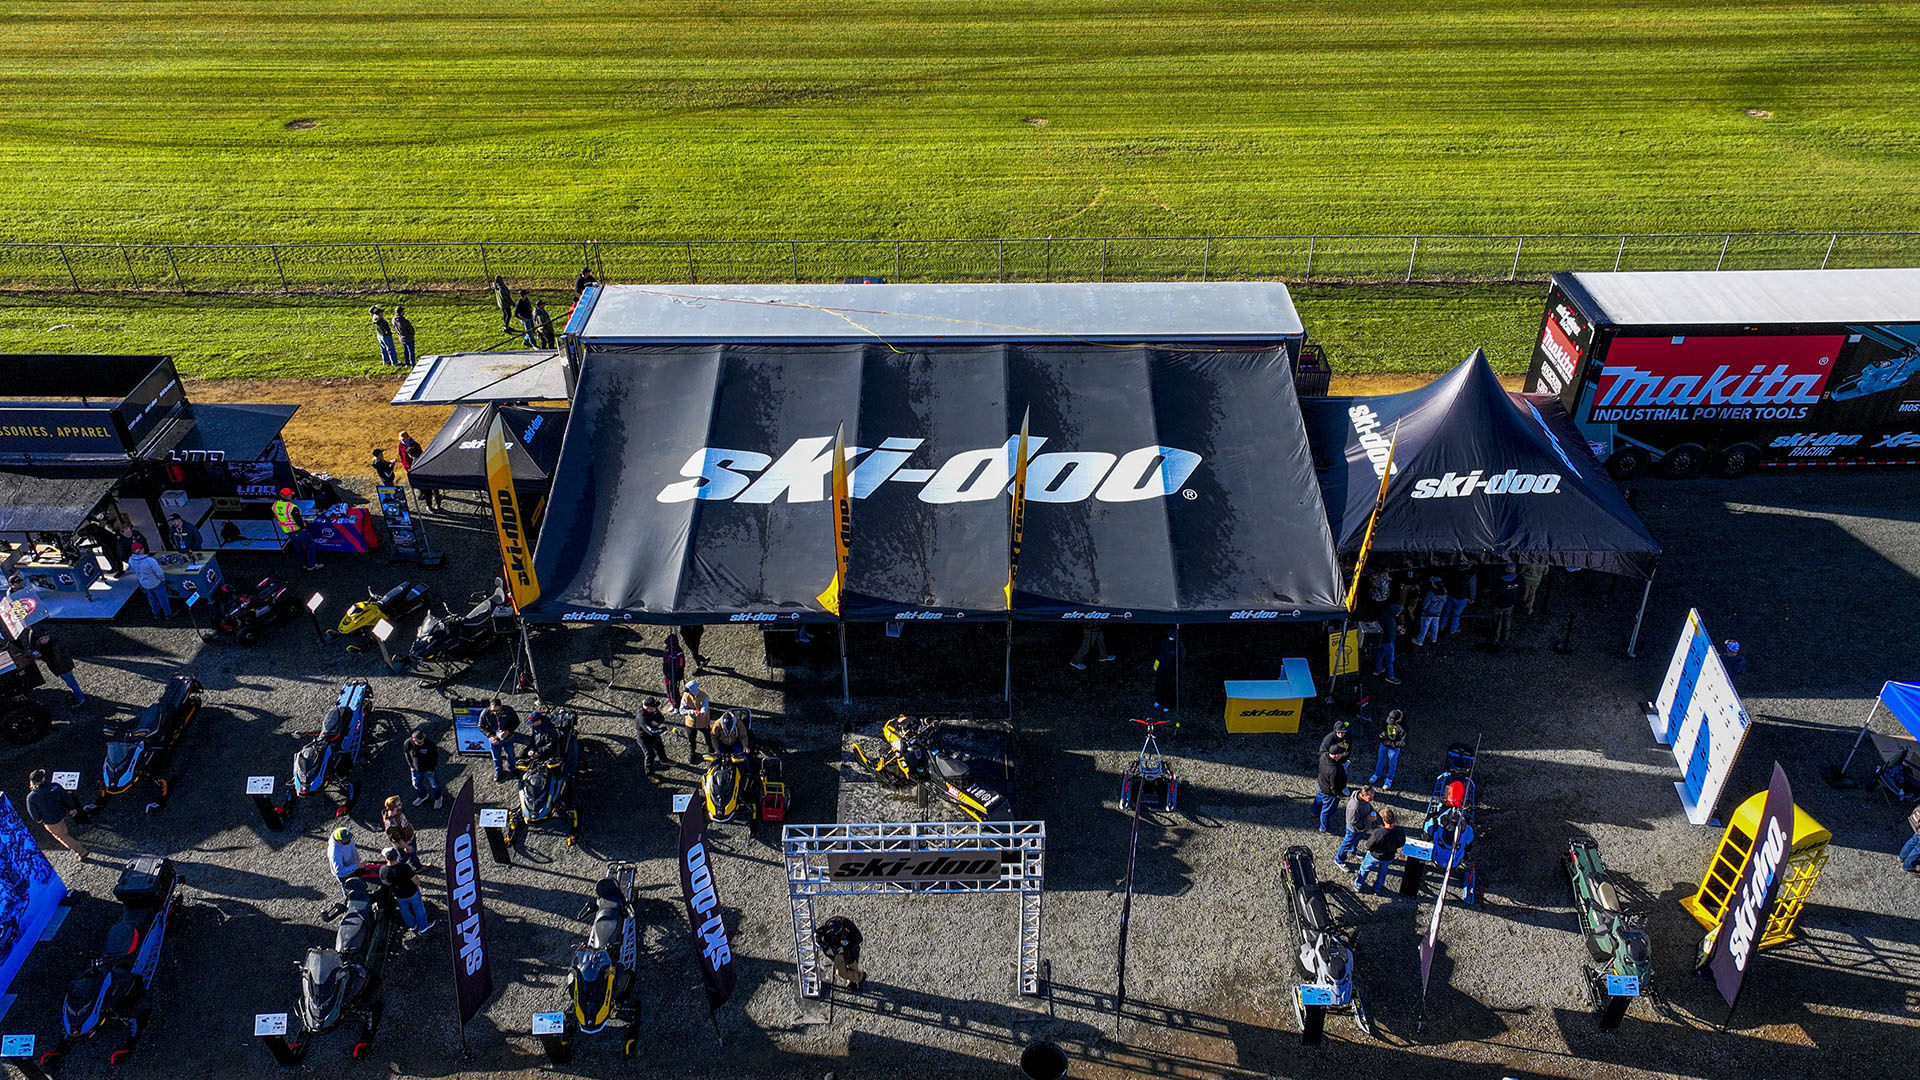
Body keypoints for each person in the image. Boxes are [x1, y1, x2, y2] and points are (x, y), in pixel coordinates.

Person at [26, 770, 88, 860]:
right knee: (64, 831)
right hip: (62, 813)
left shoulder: (31, 797)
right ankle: (76, 842)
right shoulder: (55, 786)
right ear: (43, 779)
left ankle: (81, 851)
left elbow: (34, 813)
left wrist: (39, 820)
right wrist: (71, 808)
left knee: (62, 836)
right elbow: (66, 797)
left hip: (51, 821)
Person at [379, 847, 434, 934]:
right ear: (397, 856)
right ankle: (423, 927)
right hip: (412, 892)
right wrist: (417, 885)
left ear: (386, 859)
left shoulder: (383, 870)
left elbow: (385, 882)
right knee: (418, 909)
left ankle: (412, 925)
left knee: (404, 910)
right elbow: (415, 879)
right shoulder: (404, 867)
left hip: (399, 895)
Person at [1354, 807, 1404, 895]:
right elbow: (1401, 843)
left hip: (1374, 856)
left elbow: (1369, 845)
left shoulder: (1378, 833)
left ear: (1383, 820)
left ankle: (1358, 885)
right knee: (1383, 872)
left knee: (1364, 869)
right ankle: (1377, 888)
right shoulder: (1400, 831)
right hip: (1389, 856)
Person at [273, 487, 322, 571]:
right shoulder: (291, 507)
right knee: (310, 545)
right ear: (287, 496)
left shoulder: (275, 505)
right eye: (290, 495)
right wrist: (304, 528)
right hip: (297, 530)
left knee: (299, 548)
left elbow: (276, 516)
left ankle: (304, 564)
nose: (291, 496)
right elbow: (298, 521)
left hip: (287, 531)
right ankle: (311, 565)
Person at [30, 629, 84, 704]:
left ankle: (80, 698)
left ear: (48, 636)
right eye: (41, 639)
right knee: (70, 682)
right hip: (63, 667)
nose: (42, 640)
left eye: (44, 638)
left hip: (63, 668)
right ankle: (77, 695)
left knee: (72, 683)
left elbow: (54, 659)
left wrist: (41, 656)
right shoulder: (49, 644)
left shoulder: (53, 646)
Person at [813, 915, 865, 989]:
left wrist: (845, 948)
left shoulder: (848, 925)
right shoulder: (825, 927)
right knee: (841, 972)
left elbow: (859, 939)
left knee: (853, 967)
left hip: (850, 950)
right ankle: (860, 977)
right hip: (836, 952)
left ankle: (852, 982)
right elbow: (817, 938)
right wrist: (826, 948)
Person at [1336, 785, 1377, 868]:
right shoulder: (1354, 807)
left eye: (1373, 796)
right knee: (1346, 845)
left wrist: (1372, 811)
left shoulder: (1364, 799)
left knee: (1356, 840)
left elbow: (1369, 806)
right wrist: (1368, 819)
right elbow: (1352, 822)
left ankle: (1353, 850)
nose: (1371, 799)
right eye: (1370, 798)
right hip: (1353, 830)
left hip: (1362, 828)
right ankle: (1339, 860)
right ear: (1363, 795)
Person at [127, 544, 173, 617]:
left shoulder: (131, 560)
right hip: (156, 583)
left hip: (144, 584)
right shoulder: (150, 560)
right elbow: (159, 573)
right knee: (163, 598)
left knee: (151, 599)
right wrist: (162, 580)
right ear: (142, 549)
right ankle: (168, 613)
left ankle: (156, 612)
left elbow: (133, 571)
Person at [480, 698, 521, 779]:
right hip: (494, 739)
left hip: (508, 738)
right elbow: (480, 726)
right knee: (496, 756)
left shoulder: (508, 710)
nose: (495, 713)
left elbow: (516, 721)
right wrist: (490, 736)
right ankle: (498, 771)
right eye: (493, 711)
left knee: (510, 754)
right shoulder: (485, 713)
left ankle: (512, 769)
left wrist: (508, 731)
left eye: (497, 710)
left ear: (501, 706)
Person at [404, 728, 443, 808]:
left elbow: (435, 758)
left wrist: (431, 769)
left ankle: (438, 798)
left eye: (422, 741)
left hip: (428, 770)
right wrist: (411, 766)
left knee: (434, 785)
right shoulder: (407, 743)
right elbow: (407, 754)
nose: (422, 743)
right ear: (413, 740)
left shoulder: (430, 744)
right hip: (415, 770)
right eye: (419, 742)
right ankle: (423, 795)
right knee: (416, 784)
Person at [1370, 709, 1407, 791]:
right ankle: (1377, 774)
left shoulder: (1403, 728)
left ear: (1398, 719)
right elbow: (1383, 728)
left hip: (1394, 748)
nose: (1390, 722)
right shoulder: (1388, 719)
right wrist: (1383, 734)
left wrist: (1392, 744)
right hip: (1384, 744)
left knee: (1392, 764)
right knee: (1380, 759)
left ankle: (1389, 779)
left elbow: (1403, 742)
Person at [383, 796, 422, 870]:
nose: (401, 804)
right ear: (393, 807)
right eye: (399, 804)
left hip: (409, 838)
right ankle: (396, 869)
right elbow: (397, 839)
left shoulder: (397, 812)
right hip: (405, 843)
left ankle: (416, 866)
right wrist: (406, 847)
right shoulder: (391, 825)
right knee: (403, 858)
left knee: (412, 854)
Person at [1314, 749, 1347, 835]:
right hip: (1329, 793)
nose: (1343, 754)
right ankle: (1324, 827)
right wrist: (1338, 794)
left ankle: (1314, 812)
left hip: (1321, 784)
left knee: (1318, 799)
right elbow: (1333, 786)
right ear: (1336, 756)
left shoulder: (1324, 756)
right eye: (1341, 754)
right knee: (1327, 810)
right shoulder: (1334, 770)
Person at [635, 698, 669, 774]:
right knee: (650, 754)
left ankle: (664, 760)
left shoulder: (653, 709)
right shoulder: (642, 718)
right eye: (653, 708)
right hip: (644, 738)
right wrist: (663, 729)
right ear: (648, 708)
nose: (656, 709)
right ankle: (650, 773)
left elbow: (661, 718)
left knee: (660, 747)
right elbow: (652, 732)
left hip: (653, 735)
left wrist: (657, 722)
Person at [1152, 630, 1182, 715]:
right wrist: (1155, 667)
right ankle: (1159, 701)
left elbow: (1180, 659)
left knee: (1169, 687)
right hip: (1161, 669)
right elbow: (1158, 655)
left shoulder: (1178, 645)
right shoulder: (1163, 642)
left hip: (1171, 670)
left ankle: (1168, 705)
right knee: (1160, 685)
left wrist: (1177, 670)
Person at [1371, 602, 1403, 685]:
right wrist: (1399, 633)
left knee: (1380, 654)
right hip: (1387, 642)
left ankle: (1377, 670)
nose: (1399, 614)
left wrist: (1395, 628)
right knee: (1390, 659)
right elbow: (1391, 636)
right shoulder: (1391, 622)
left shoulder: (1383, 614)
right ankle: (1390, 676)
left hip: (1380, 639)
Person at [1490, 564, 1521, 643]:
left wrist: (1492, 600)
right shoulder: (1518, 580)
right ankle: (1506, 637)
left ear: (1506, 569)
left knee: (1497, 622)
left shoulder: (1500, 581)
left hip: (1499, 604)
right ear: (1514, 569)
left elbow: (1495, 593)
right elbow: (1520, 591)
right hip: (1510, 604)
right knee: (1507, 620)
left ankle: (1496, 638)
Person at [1412, 576, 1448, 645]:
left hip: (1428, 613)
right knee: (1435, 625)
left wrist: (1422, 610)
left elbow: (1425, 604)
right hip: (1438, 612)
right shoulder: (1445, 592)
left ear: (1434, 584)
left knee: (1424, 627)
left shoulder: (1431, 594)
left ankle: (1419, 641)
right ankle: (1433, 638)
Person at [328, 826, 360, 897]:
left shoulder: (345, 833)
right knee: (348, 889)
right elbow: (339, 871)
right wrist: (356, 866)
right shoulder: (334, 853)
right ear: (338, 841)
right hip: (345, 875)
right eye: (346, 842)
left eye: (350, 839)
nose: (349, 842)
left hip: (354, 866)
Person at [1443, 567, 1476, 636]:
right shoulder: (1471, 575)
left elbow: (1447, 581)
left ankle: (1442, 626)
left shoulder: (1453, 569)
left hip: (1451, 594)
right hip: (1462, 597)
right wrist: (1472, 597)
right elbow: (1472, 588)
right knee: (1456, 614)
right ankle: (1453, 629)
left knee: (1446, 610)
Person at [662, 632, 686, 707]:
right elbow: (665, 661)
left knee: (674, 690)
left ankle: (677, 704)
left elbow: (681, 665)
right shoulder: (667, 649)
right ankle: (672, 703)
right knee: (668, 690)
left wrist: (677, 674)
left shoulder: (678, 652)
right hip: (667, 674)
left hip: (674, 675)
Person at [1901, 802, 1920, 874]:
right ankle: (1907, 866)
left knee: (1914, 840)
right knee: (1918, 850)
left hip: (1918, 825)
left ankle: (1902, 857)